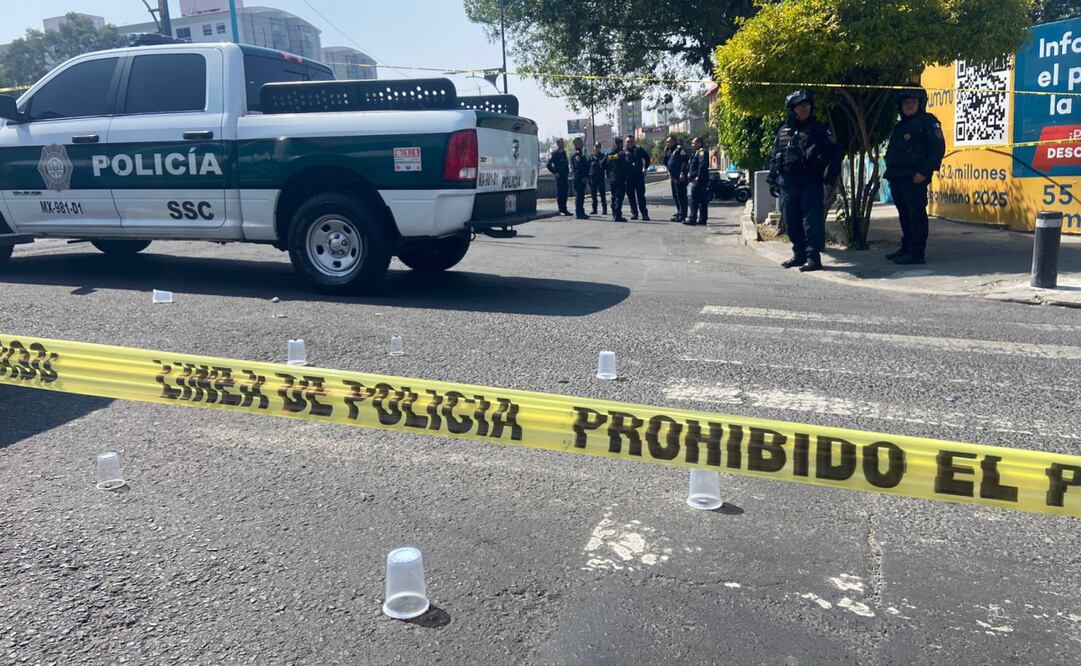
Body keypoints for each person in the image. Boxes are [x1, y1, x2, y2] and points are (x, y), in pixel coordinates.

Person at [767, 89, 842, 272]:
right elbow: (775, 155)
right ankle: (799, 255)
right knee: (791, 220)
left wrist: (831, 177)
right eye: (800, 106)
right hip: (788, 182)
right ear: (792, 109)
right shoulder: (783, 131)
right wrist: (772, 178)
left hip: (810, 181)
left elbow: (835, 153)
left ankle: (813, 258)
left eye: (807, 105)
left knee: (811, 222)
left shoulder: (818, 130)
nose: (804, 109)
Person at [883, 87, 945, 265]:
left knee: (916, 214)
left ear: (920, 103)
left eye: (912, 101)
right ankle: (907, 247)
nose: (908, 105)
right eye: (905, 102)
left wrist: (924, 173)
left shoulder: (928, 122)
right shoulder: (900, 124)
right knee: (904, 214)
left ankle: (917, 252)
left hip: (914, 176)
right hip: (898, 176)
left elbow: (937, 148)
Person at [662, 135, 689, 222]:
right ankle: (679, 212)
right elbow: (666, 163)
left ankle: (683, 214)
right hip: (673, 176)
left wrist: (682, 172)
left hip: (679, 176)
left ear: (674, 141)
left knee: (681, 196)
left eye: (669, 142)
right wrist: (665, 155)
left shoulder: (680, 149)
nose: (667, 143)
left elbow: (685, 162)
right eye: (667, 142)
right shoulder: (670, 151)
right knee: (676, 196)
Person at [624, 135, 651, 221]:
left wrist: (645, 168)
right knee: (631, 196)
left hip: (638, 176)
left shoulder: (639, 149)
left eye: (631, 141)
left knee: (641, 196)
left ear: (634, 142)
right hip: (628, 177)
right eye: (628, 142)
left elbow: (647, 158)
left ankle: (644, 214)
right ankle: (634, 213)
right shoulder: (623, 152)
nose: (629, 143)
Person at [684, 136, 710, 226]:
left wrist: (698, 176)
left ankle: (692, 218)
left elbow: (702, 164)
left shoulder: (702, 151)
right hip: (698, 179)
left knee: (694, 199)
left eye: (694, 143)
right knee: (702, 199)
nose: (692, 145)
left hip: (699, 179)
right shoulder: (696, 152)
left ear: (699, 143)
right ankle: (702, 219)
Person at [604, 137, 629, 222]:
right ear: (620, 144)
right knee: (619, 197)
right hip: (620, 178)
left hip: (611, 179)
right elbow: (626, 165)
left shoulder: (609, 154)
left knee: (613, 197)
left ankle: (614, 214)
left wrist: (609, 172)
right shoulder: (621, 154)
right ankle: (618, 215)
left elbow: (602, 164)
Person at [546, 138, 571, 216]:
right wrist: (555, 172)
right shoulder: (554, 154)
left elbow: (566, 164)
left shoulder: (564, 153)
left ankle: (565, 209)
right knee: (560, 194)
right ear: (558, 144)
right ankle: (561, 210)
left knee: (565, 193)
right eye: (562, 143)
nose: (563, 144)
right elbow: (548, 165)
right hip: (559, 177)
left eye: (563, 143)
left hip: (565, 176)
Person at [570, 137, 590, 219]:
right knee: (579, 195)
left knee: (581, 196)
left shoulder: (581, 152)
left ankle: (581, 211)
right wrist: (583, 177)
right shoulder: (576, 154)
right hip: (579, 178)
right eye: (580, 142)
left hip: (582, 177)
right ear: (576, 144)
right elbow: (579, 167)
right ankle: (579, 213)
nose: (582, 143)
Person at [588, 141, 608, 215]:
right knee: (593, 195)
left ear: (600, 148)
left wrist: (607, 175)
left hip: (600, 177)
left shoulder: (603, 156)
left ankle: (604, 209)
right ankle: (594, 209)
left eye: (598, 147)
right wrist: (588, 178)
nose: (597, 148)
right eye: (596, 147)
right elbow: (588, 167)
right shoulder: (591, 157)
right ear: (594, 147)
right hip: (593, 177)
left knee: (602, 194)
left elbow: (606, 167)